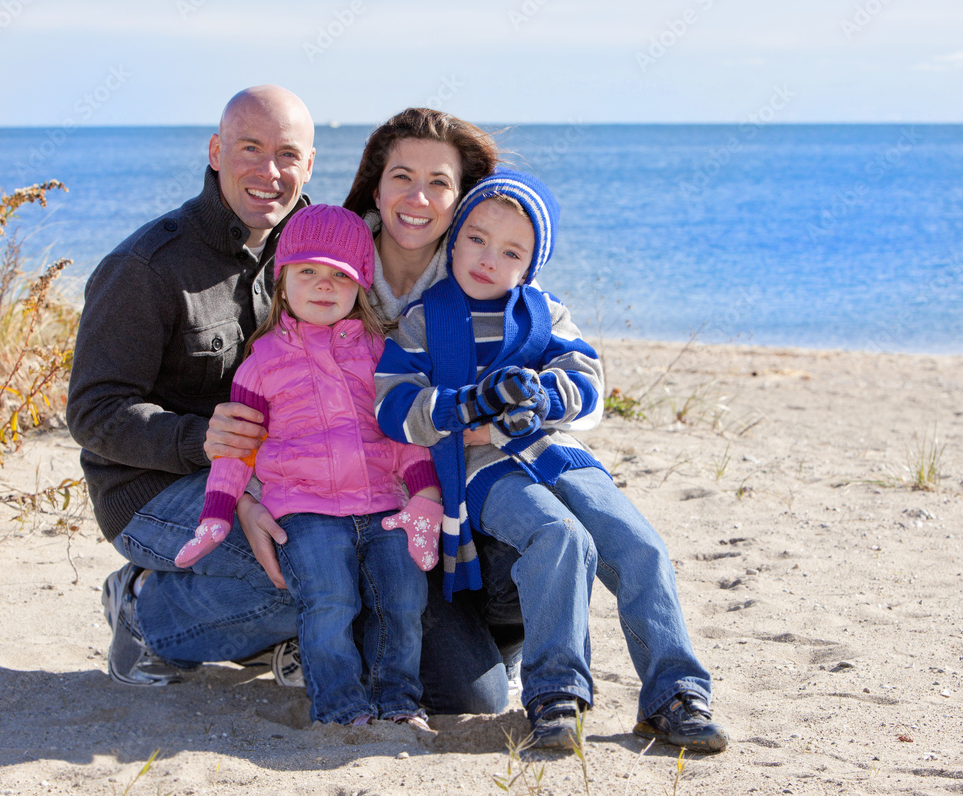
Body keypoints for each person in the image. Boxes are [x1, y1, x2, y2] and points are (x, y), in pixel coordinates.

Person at [374, 168, 730, 752]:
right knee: (560, 535)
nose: (489, 258)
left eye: (512, 251)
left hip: (560, 452)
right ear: (455, 236)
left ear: (532, 264)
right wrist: (467, 405)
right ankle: (555, 693)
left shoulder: (545, 314)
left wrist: (545, 397)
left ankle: (673, 694)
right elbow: (393, 405)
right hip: (484, 468)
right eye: (477, 239)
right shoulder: (422, 320)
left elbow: (587, 383)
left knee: (638, 544)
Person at [67, 85, 317, 685]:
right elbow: (93, 412)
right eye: (249, 149)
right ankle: (142, 608)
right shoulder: (147, 267)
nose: (269, 171)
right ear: (214, 151)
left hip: (274, 477)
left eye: (287, 154)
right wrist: (201, 440)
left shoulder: (313, 248)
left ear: (309, 165)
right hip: (151, 491)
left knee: (346, 554)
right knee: (304, 577)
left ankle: (277, 636)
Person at [173, 204, 441, 729]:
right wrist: (217, 512)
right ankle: (340, 709)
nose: (324, 285)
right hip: (304, 509)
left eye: (340, 275)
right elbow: (238, 449)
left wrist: (425, 493)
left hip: (385, 504)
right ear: (282, 282)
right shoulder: (262, 362)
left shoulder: (380, 352)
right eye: (308, 272)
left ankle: (399, 705)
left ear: (361, 284)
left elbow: (406, 430)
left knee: (403, 602)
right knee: (330, 602)